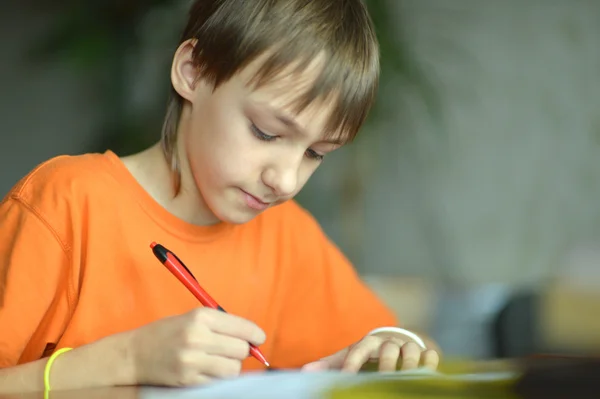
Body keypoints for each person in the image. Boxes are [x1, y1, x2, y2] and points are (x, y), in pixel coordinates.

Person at [0, 0, 440, 393]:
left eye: (315, 153)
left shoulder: (286, 239)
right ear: (192, 72)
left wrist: (403, 348)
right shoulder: (65, 206)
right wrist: (128, 358)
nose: (286, 181)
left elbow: (401, 345)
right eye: (266, 132)